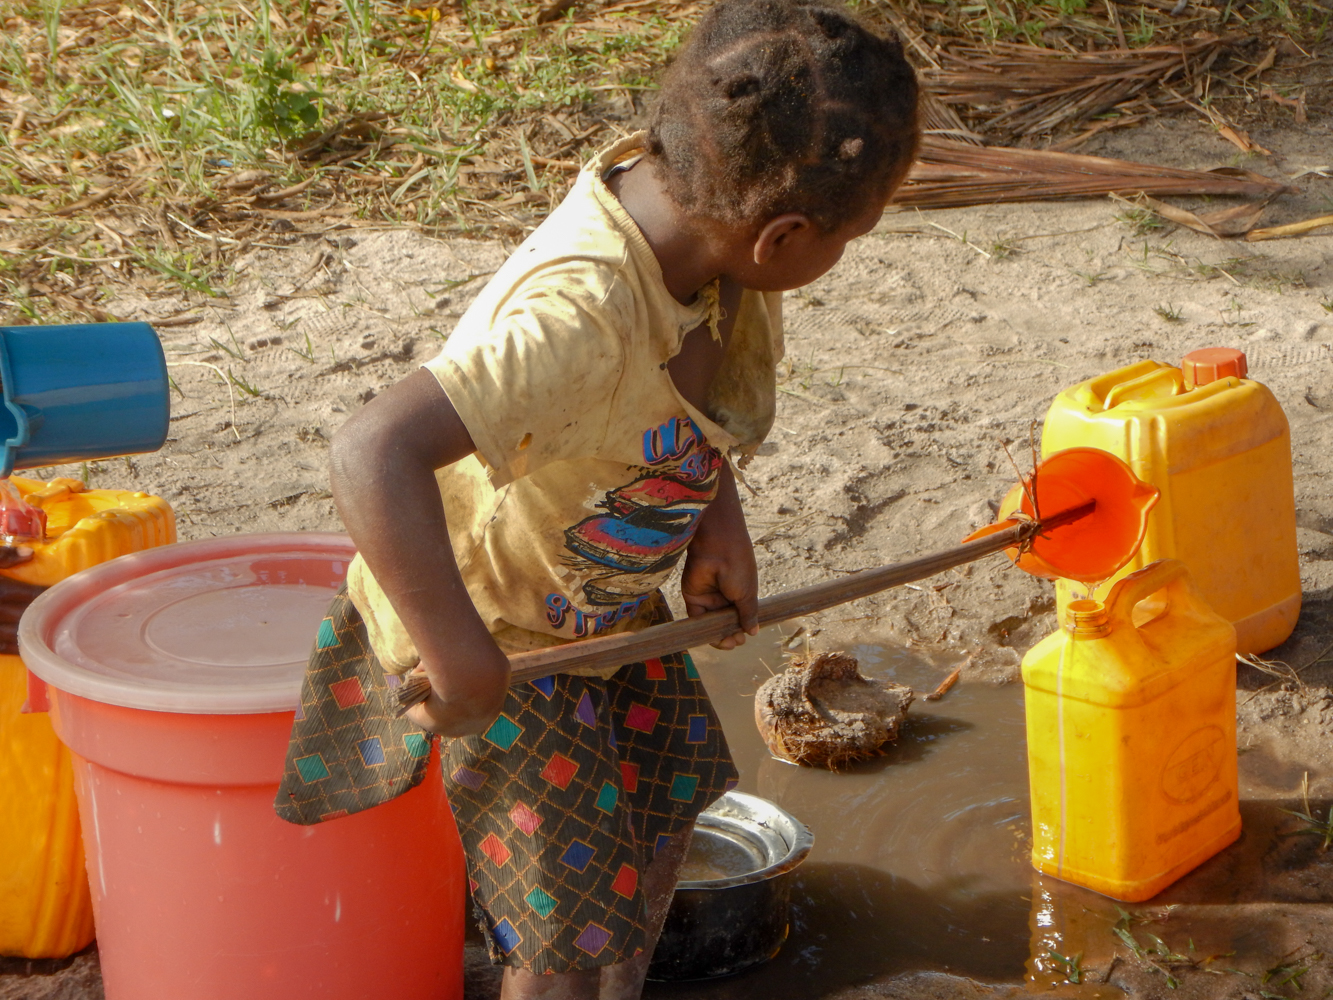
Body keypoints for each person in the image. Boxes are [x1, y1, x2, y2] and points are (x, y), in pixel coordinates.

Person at [274, 0, 919, 996]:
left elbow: (688, 403)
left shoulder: (708, 235)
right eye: (852, 238)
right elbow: (371, 450)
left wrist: (717, 521)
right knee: (565, 934)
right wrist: (461, 658)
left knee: (663, 819)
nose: (839, 260)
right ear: (785, 234)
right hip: (502, 640)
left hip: (599, 605)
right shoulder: (578, 319)